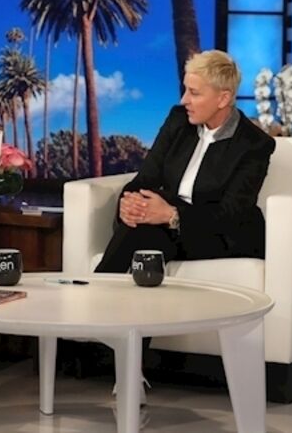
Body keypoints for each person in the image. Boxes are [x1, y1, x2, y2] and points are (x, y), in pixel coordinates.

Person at [96, 49, 276, 272]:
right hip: (172, 230)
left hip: (221, 236)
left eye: (194, 93)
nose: (184, 100)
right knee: (141, 226)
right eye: (185, 90)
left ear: (223, 98)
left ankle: (95, 287)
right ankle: (103, 288)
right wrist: (128, 204)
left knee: (144, 228)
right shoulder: (179, 119)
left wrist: (171, 215)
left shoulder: (255, 144)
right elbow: (145, 178)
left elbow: (231, 213)